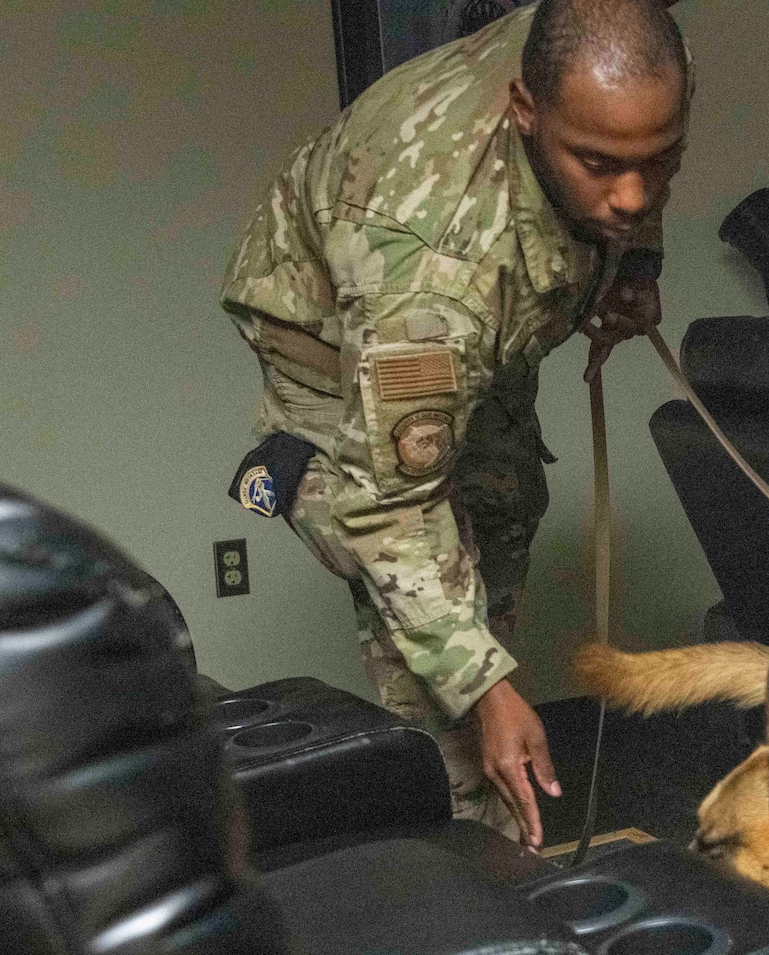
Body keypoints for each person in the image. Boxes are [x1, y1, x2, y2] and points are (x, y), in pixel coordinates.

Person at [221, 0, 689, 848]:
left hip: (480, 300)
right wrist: (482, 685)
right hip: (330, 333)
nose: (632, 195)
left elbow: (632, 155)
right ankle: (470, 854)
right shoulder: (430, 269)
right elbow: (393, 510)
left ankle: (492, 759)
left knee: (505, 502)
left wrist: (634, 264)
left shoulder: (620, 60)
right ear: (524, 110)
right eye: (598, 164)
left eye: (656, 162)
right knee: (413, 581)